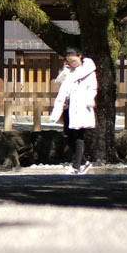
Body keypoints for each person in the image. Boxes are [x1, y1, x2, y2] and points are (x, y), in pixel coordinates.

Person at [50, 46, 99, 174]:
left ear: (80, 56)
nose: (72, 63)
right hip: (68, 107)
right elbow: (58, 83)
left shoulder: (88, 71)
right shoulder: (69, 72)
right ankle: (84, 162)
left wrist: (89, 100)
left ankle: (76, 166)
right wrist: (65, 72)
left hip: (81, 106)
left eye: (74, 60)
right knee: (68, 134)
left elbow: (93, 88)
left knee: (78, 135)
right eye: (69, 61)